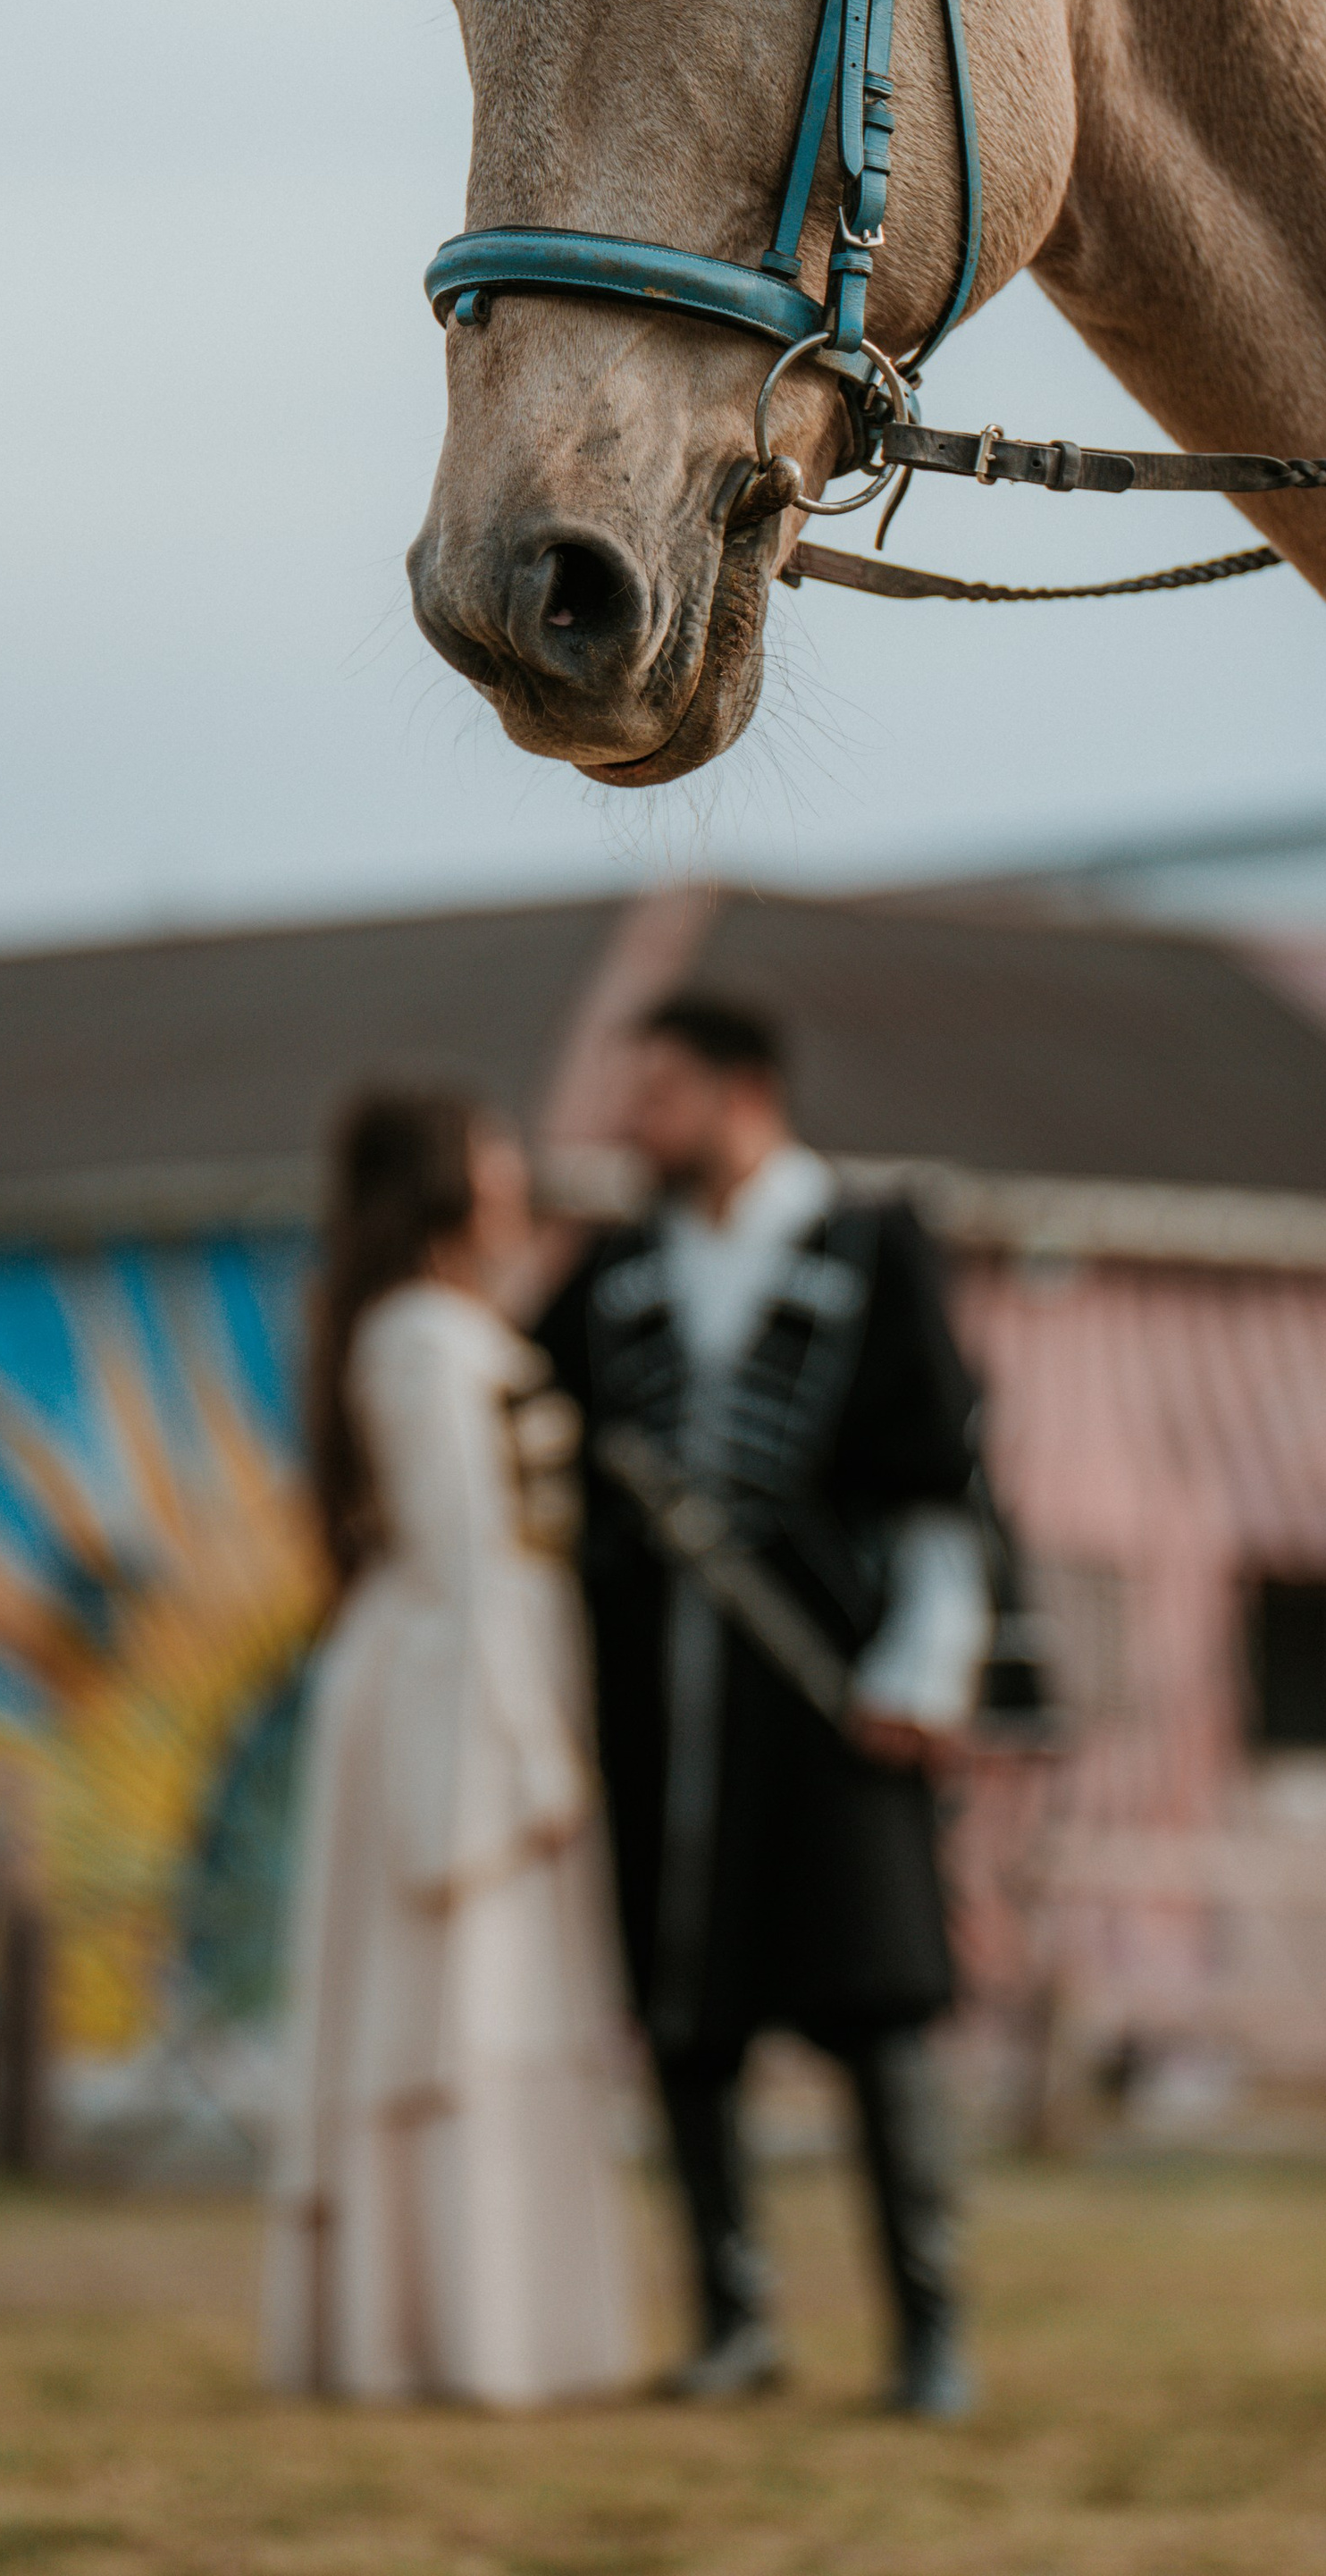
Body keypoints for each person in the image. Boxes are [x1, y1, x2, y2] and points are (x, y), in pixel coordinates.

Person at [536, 995, 990, 2419]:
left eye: (659, 1093)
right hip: (665, 1704)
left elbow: (940, 1482)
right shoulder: (611, 1271)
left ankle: (930, 2336)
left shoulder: (871, 1246)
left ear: (742, 1095)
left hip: (834, 1685)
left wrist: (927, 1670)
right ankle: (734, 2323)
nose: (633, 1121)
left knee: (879, 2008)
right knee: (691, 2021)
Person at [262, 1087, 636, 2407]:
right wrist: (532, 1753)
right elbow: (469, 1560)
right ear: (443, 1180)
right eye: (493, 1151)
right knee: (450, 2016)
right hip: (449, 1705)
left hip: (462, 1680)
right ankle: (446, 2336)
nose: (514, 1170)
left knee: (492, 2011)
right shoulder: (422, 1339)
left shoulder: (453, 1328)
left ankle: (503, 2329)